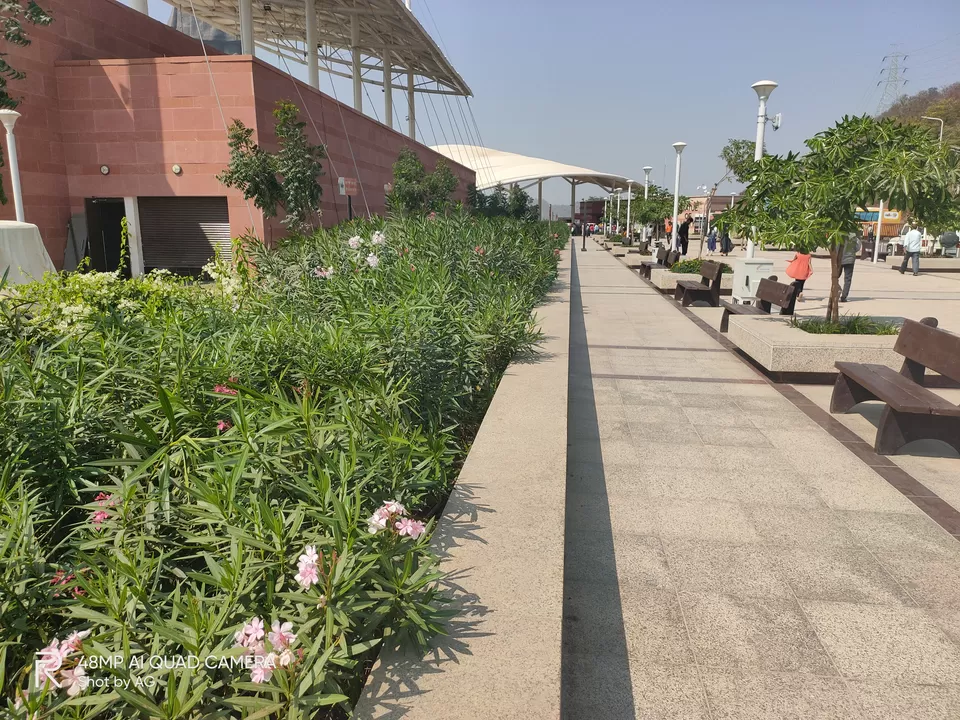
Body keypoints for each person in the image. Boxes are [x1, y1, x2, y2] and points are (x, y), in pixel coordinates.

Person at [840, 232, 861, 303]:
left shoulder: (840, 234)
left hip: (840, 258)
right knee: (848, 279)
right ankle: (844, 296)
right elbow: (858, 247)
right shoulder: (854, 236)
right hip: (850, 259)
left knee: (836, 276)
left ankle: (836, 290)